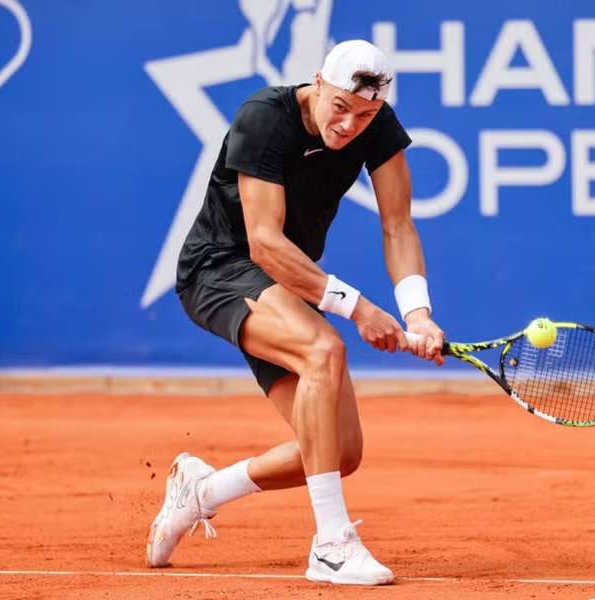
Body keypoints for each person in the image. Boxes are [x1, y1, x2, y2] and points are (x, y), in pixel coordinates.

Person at [146, 39, 445, 586]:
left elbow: (398, 226)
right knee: (323, 347)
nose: (351, 124)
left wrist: (417, 313)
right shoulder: (265, 117)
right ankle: (331, 546)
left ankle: (202, 491)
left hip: (286, 280)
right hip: (219, 268)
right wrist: (358, 308)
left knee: (341, 449)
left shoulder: (376, 125)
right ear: (318, 84)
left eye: (366, 113)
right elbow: (262, 243)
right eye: (341, 108)